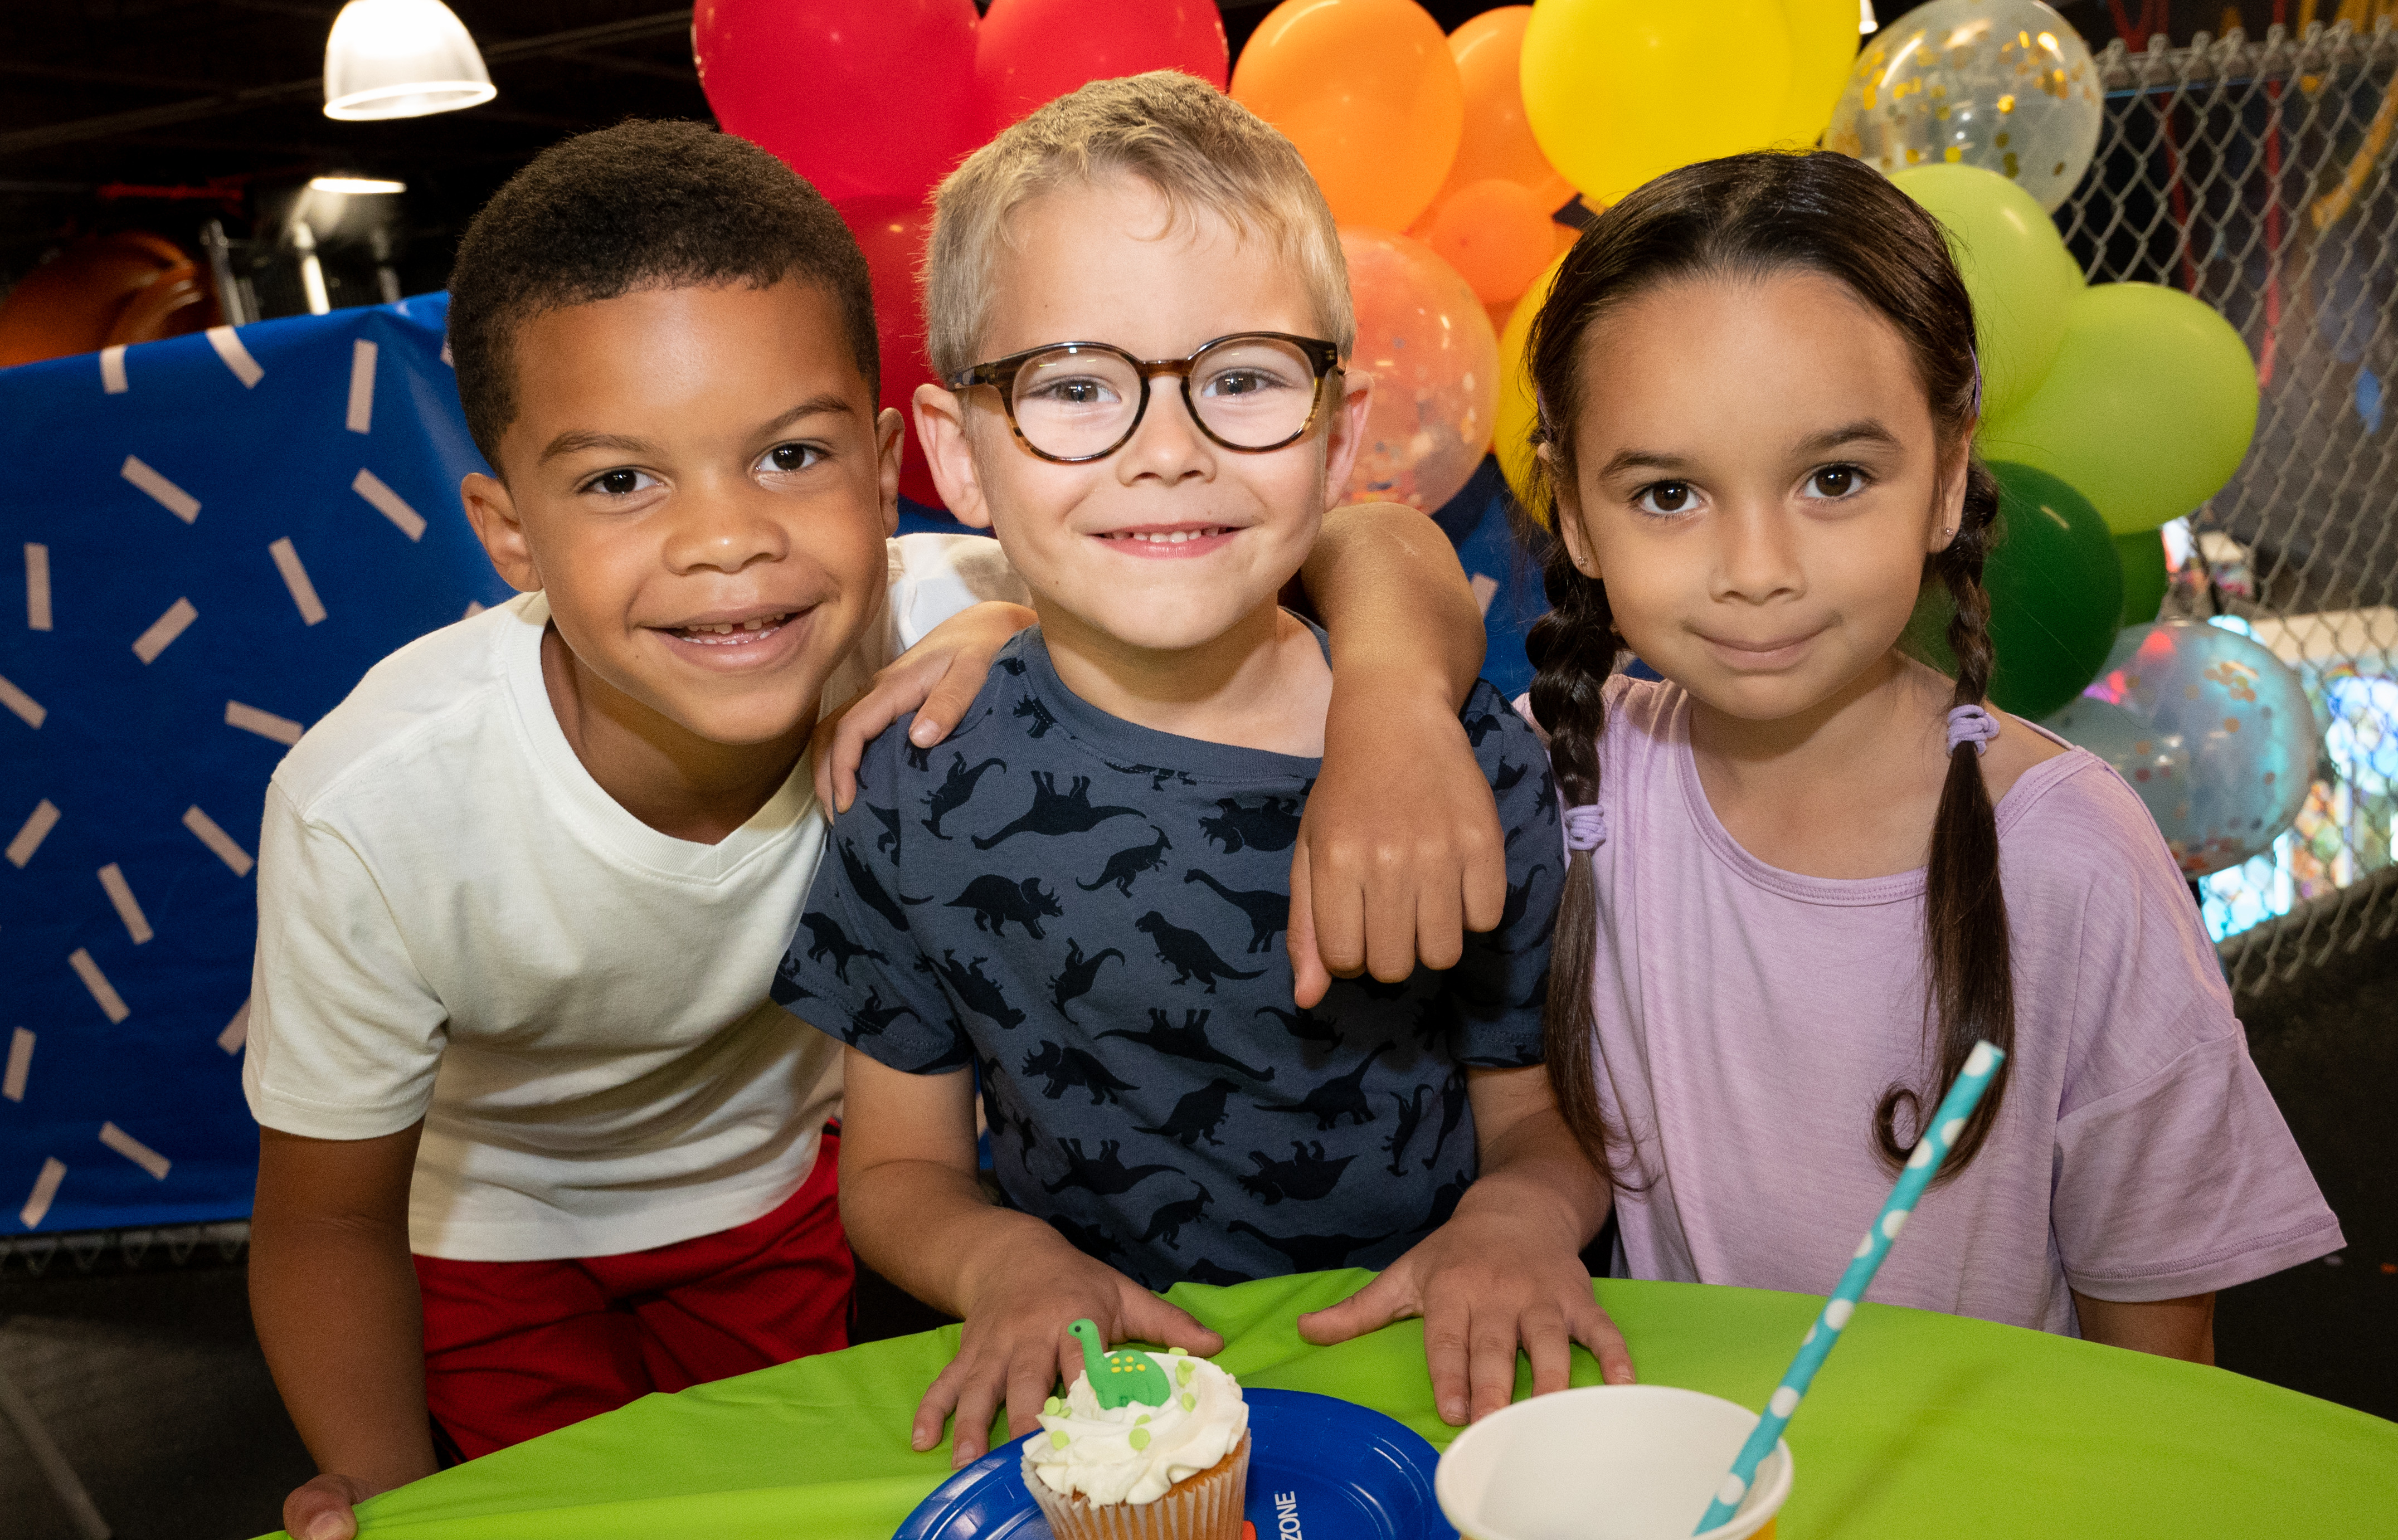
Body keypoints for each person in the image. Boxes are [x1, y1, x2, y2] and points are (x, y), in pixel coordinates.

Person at [247, 121, 1509, 1540]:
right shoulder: (376, 808)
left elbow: (1373, 537)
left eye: (789, 455)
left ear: (895, 462)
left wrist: (1393, 707)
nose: (726, 540)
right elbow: (324, 1216)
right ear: (508, 530)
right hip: (495, 1235)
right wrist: (374, 1476)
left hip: (796, 1195)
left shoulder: (967, 600)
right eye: (619, 480)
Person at [780, 73, 1632, 1475]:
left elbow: (1541, 1118)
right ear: (957, 456)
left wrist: (1517, 1219)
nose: (1167, 450)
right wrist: (1001, 1262)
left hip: (1425, 1383)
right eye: (1072, 386)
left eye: (1240, 378)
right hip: (1100, 1416)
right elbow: (893, 1169)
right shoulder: (916, 777)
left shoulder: (1463, 752)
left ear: (1341, 437)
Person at [1517, 149, 2342, 1358]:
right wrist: (1387, 675)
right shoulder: (1569, 774)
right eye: (1668, 494)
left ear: (1948, 475)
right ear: (1575, 511)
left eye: (1834, 477)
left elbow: (2158, 1376)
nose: (1756, 568)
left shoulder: (2068, 856)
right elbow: (1366, 561)